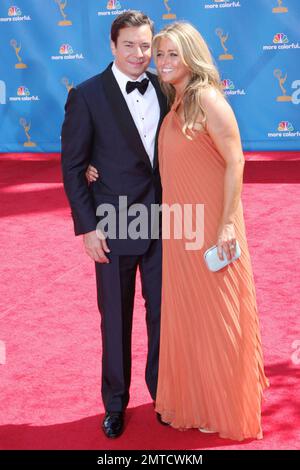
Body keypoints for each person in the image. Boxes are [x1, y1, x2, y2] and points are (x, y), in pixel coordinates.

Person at [151, 22, 269, 441]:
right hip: (181, 229)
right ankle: (199, 399)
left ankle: (224, 406)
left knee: (219, 318)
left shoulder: (206, 98)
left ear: (191, 56)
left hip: (213, 229)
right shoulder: (176, 98)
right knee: (191, 319)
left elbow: (235, 161)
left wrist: (224, 226)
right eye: (159, 55)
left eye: (172, 55)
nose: (163, 62)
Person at [61, 10, 168, 439]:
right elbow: (72, 167)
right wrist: (87, 228)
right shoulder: (86, 95)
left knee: (164, 315)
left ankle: (165, 394)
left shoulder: (165, 88)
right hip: (113, 224)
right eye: (130, 45)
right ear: (112, 46)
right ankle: (115, 403)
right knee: (116, 319)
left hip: (164, 222)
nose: (139, 54)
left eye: (146, 46)